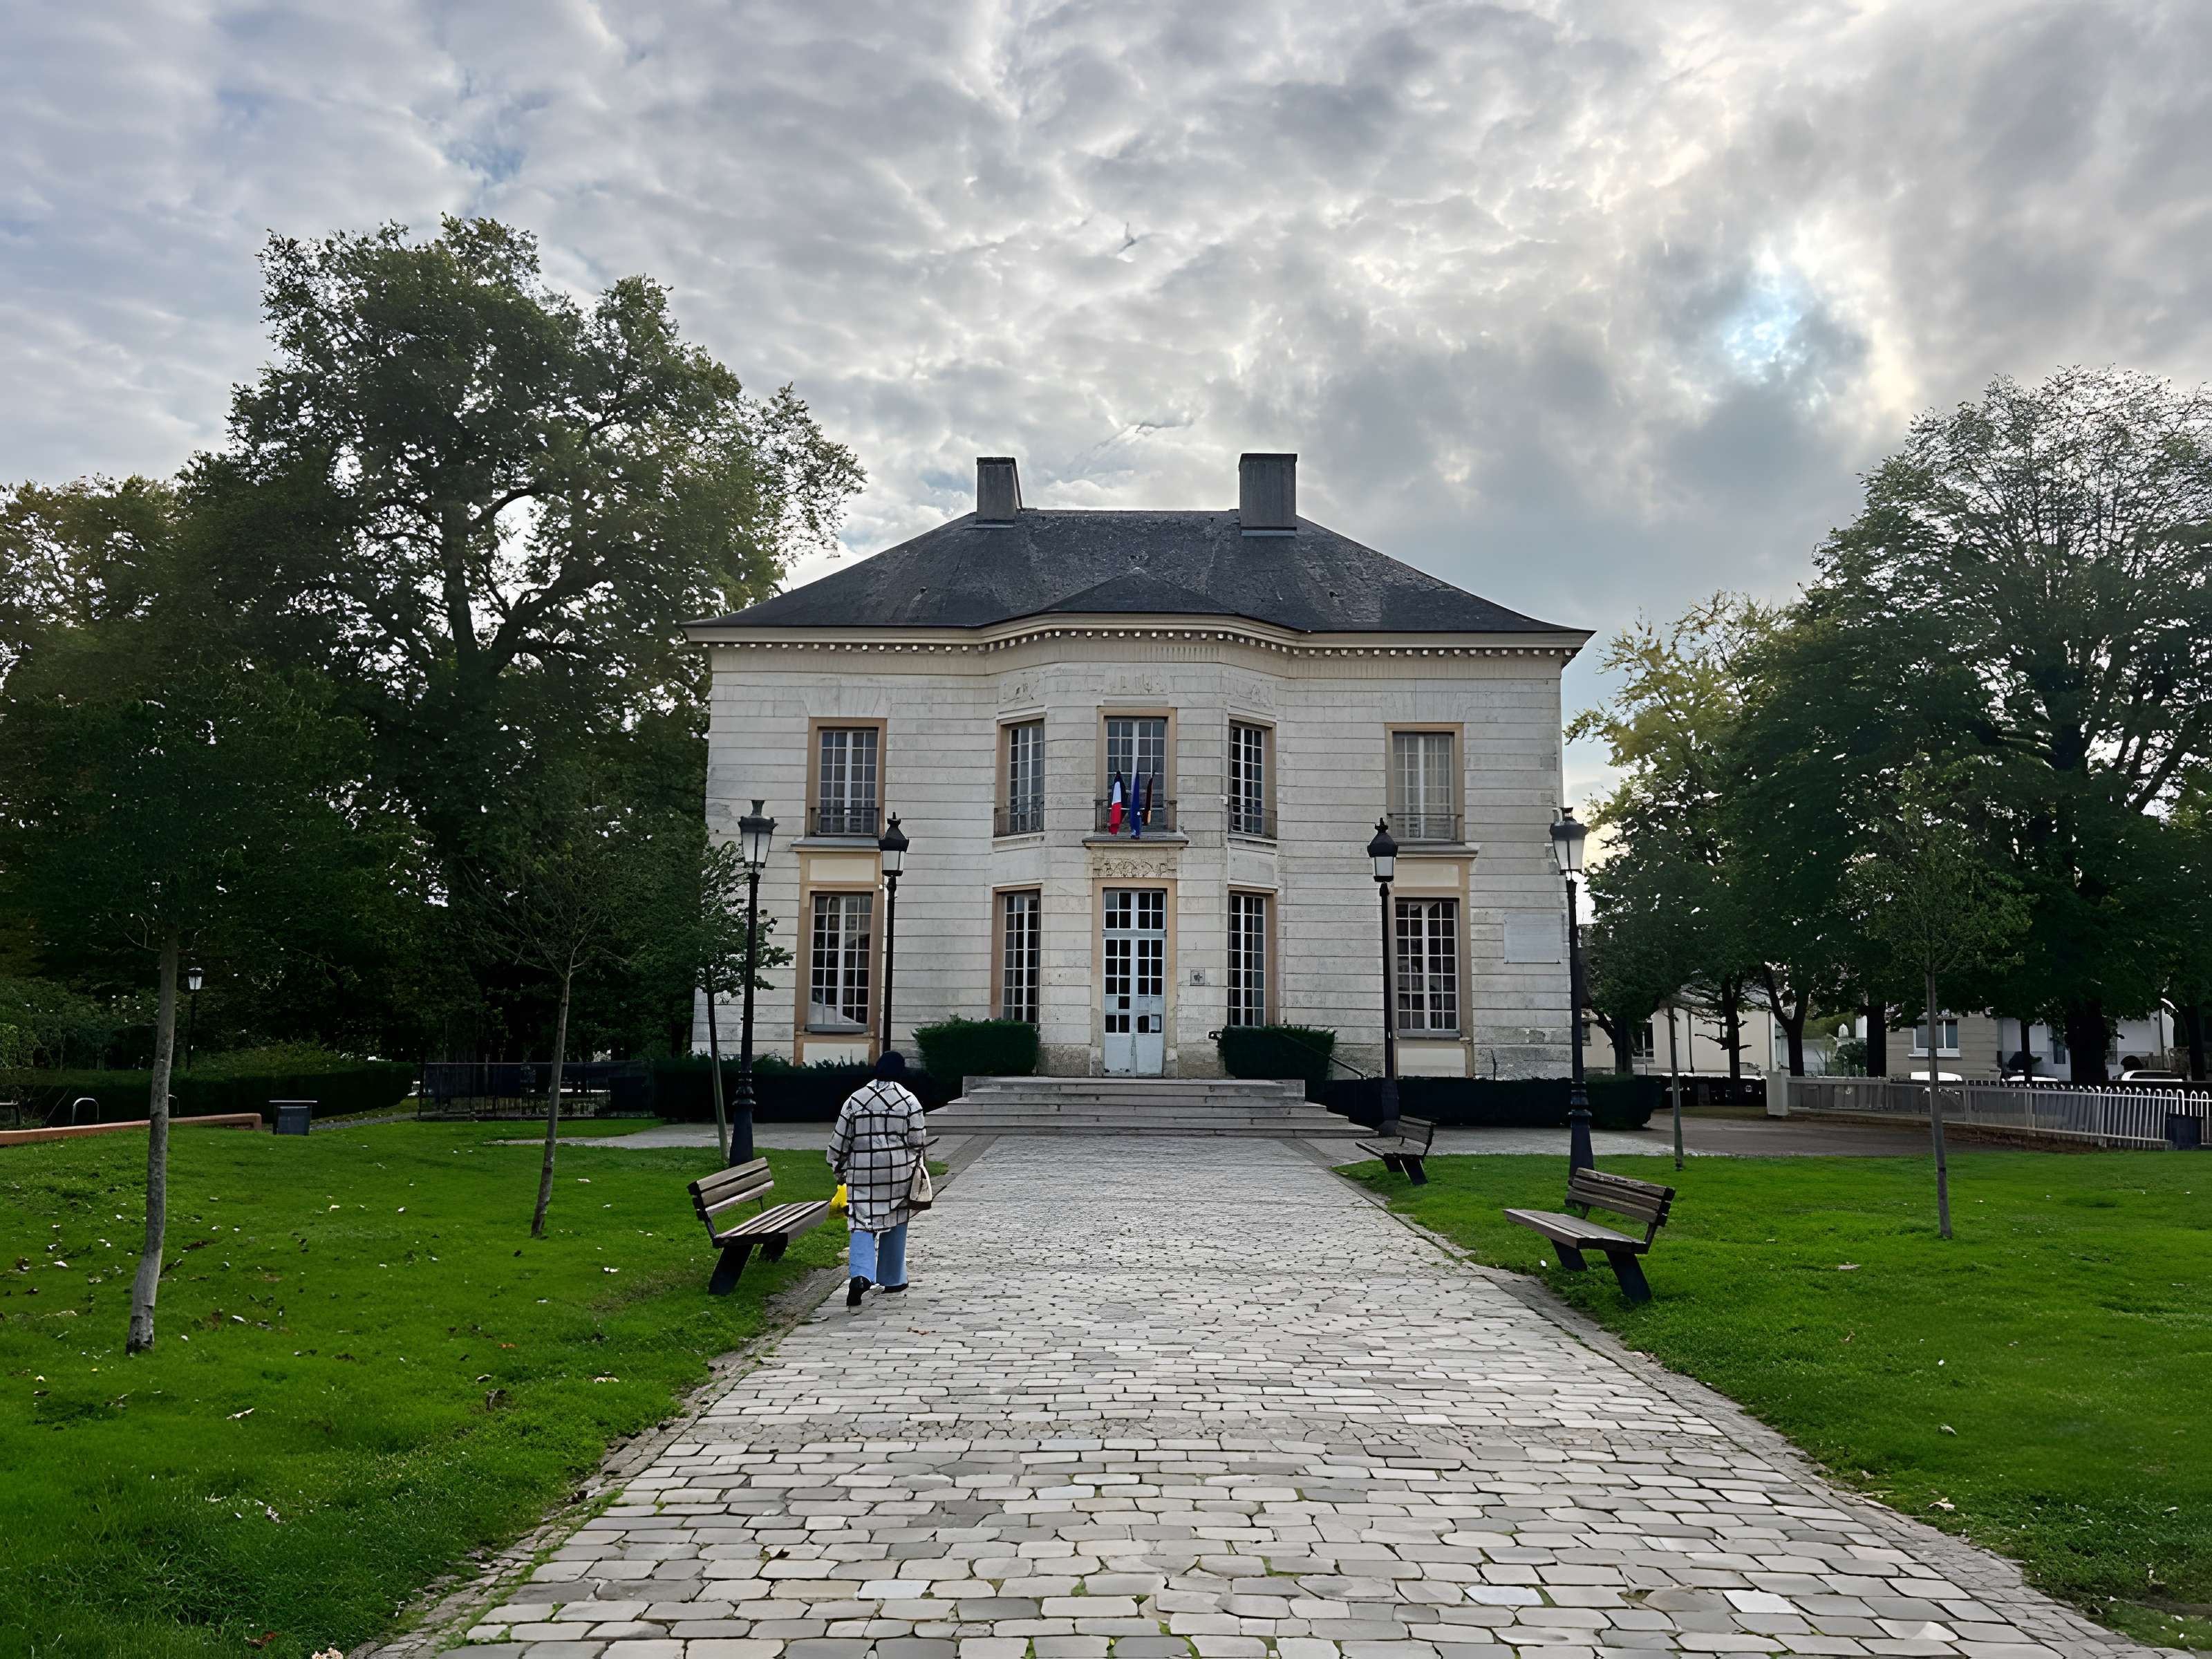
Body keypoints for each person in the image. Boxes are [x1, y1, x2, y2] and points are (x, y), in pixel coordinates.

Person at [827, 1050, 928, 1309]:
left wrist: (837, 1166)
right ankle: (893, 1278)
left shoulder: (855, 1100)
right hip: (898, 1172)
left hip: (863, 1172)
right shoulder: (909, 1101)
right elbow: (917, 1141)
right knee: (897, 1219)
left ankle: (860, 1276)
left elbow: (840, 1141)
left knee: (861, 1222)